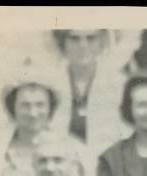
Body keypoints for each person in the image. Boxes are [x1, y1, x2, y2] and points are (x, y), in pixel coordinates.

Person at [50, 29, 130, 159]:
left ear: (101, 43)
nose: (83, 46)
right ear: (63, 43)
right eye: (74, 39)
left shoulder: (120, 85)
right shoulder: (50, 83)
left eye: (91, 38)